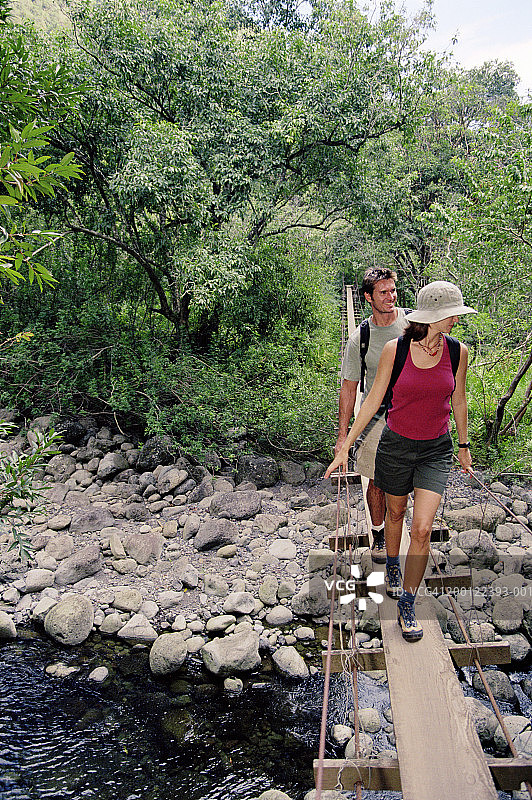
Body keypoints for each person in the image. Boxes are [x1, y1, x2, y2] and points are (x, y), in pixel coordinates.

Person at [326, 281, 476, 642]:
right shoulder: (396, 349)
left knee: (422, 528)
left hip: (435, 450)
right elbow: (374, 398)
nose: (456, 318)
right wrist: (345, 445)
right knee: (395, 515)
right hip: (395, 446)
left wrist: (465, 445)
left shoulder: (459, 352)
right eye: (451, 313)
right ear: (433, 316)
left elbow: (458, 400)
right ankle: (392, 566)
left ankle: (408, 603)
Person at [335, 267, 409, 565]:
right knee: (377, 480)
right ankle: (378, 534)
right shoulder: (360, 338)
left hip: (411, 413)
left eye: (393, 290)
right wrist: (343, 436)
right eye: (383, 292)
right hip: (376, 415)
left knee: (406, 480)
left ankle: (401, 529)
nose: (391, 296)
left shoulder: (412, 323)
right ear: (368, 298)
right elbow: (349, 388)